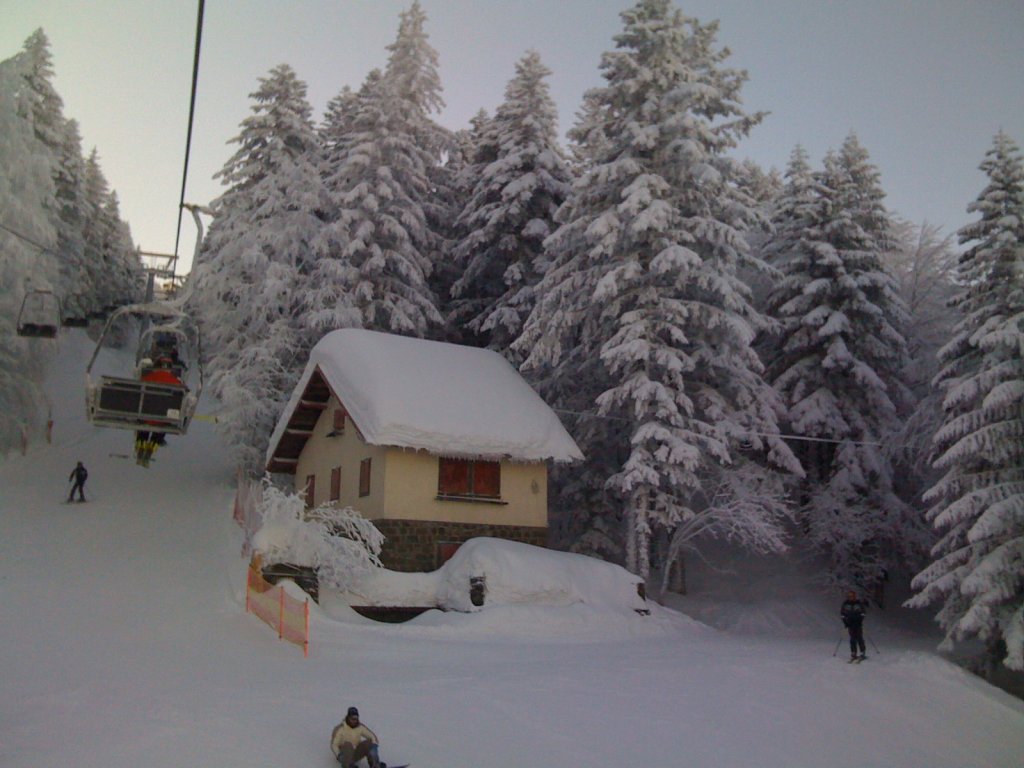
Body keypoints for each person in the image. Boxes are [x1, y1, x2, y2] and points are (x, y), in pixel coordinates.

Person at [841, 589, 867, 661]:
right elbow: (842, 614)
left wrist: (860, 620)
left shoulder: (858, 603)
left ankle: (862, 652)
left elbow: (863, 613)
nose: (850, 597)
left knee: (859, 638)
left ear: (854, 596)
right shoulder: (846, 604)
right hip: (850, 624)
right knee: (852, 639)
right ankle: (853, 652)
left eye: (852, 596)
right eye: (849, 596)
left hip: (857, 623)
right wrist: (845, 623)